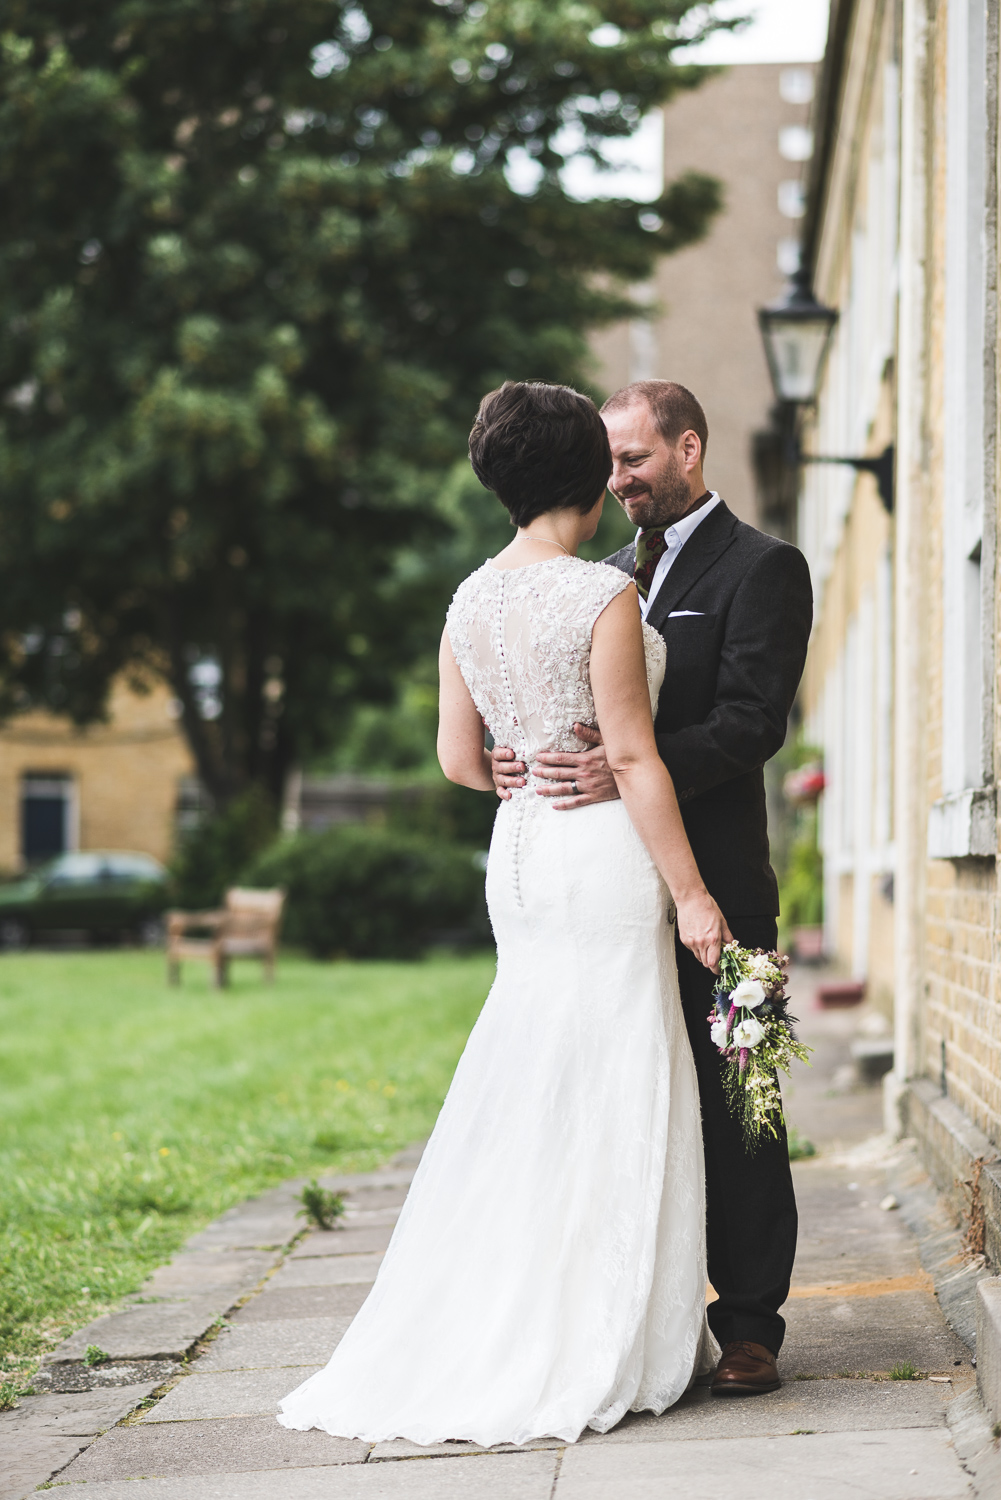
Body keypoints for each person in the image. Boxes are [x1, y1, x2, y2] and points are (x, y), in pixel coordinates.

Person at [277, 380, 728, 1446]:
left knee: (532, 1069)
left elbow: (453, 759)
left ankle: (506, 1306)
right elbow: (628, 755)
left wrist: (513, 768)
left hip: (520, 853)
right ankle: (608, 1331)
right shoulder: (597, 596)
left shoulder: (469, 600)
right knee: (617, 1075)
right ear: (584, 473)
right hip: (598, 858)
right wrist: (693, 896)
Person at [492, 380, 813, 1395]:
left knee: (741, 1103)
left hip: (719, 887)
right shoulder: (595, 579)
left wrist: (627, 762)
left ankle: (751, 1323)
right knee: (638, 1105)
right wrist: (521, 756)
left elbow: (753, 722)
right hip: (614, 900)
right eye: (606, 464)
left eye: (631, 460)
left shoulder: (763, 568)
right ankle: (647, 1314)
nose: (615, 480)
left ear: (686, 448)